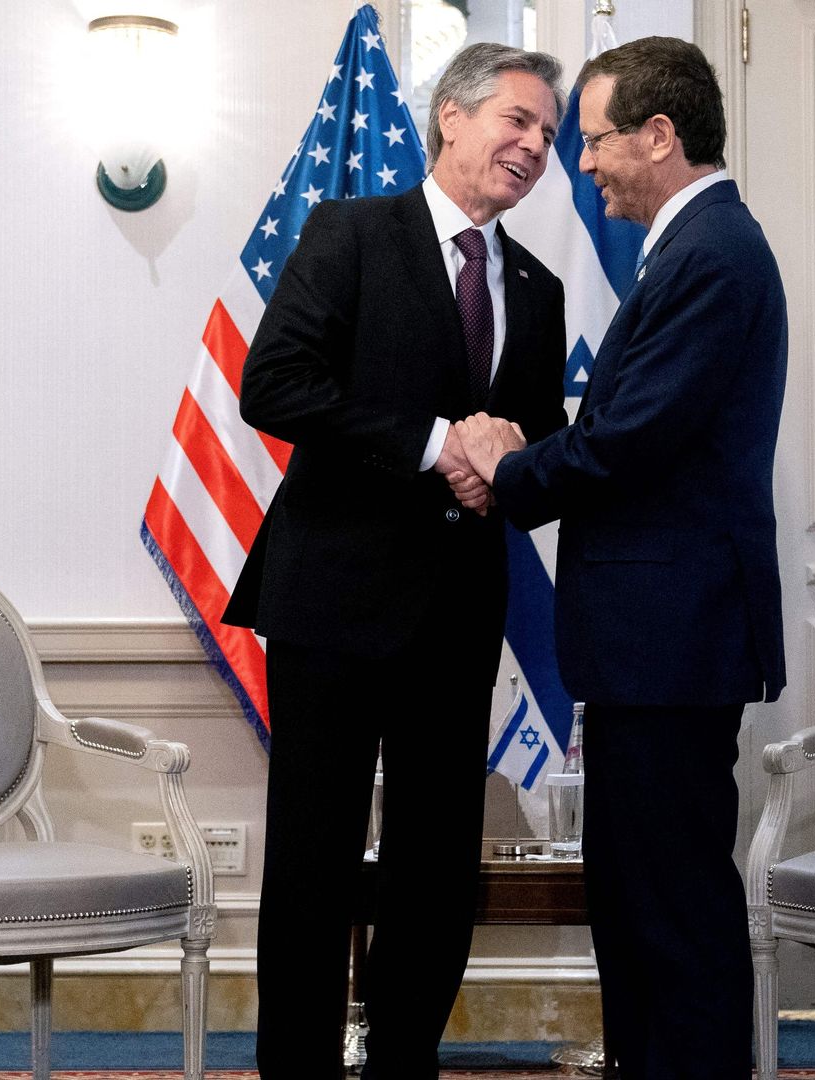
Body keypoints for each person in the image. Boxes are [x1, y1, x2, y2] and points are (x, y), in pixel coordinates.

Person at [222, 42, 571, 1080]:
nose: (535, 146)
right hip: (334, 597)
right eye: (518, 120)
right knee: (314, 858)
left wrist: (503, 464)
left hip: (458, 610)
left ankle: (405, 1062)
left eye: (550, 134)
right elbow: (273, 384)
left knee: (436, 863)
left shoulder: (539, 287)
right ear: (451, 116)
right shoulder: (352, 233)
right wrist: (434, 444)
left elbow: (537, 439)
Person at [455, 36, 788, 1080]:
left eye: (595, 139)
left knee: (671, 914)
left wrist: (507, 467)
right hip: (657, 642)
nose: (583, 162)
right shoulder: (696, 250)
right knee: (641, 905)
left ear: (660, 134)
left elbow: (631, 438)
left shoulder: (712, 255)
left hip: (671, 642)